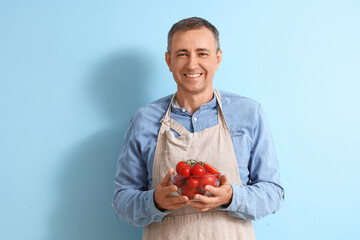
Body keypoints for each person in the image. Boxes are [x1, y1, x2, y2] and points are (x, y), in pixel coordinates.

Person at [113, 17, 284, 240]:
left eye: (202, 53)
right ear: (169, 61)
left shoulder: (249, 114)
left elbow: (273, 194)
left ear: (218, 59)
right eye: (182, 54)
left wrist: (232, 196)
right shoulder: (144, 119)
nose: (192, 64)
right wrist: (154, 202)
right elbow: (122, 201)